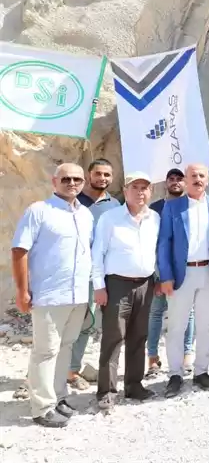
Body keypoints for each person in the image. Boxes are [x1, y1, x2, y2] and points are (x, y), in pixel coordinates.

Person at [11, 163, 94, 427]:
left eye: (77, 179)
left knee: (65, 348)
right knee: (45, 352)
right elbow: (19, 251)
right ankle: (41, 407)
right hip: (49, 295)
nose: (72, 183)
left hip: (78, 295)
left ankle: (58, 397)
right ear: (54, 181)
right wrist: (23, 290)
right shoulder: (39, 211)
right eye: (66, 178)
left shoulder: (85, 215)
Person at [157, 163, 209, 398]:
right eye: (193, 176)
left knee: (206, 325)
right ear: (185, 180)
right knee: (176, 326)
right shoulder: (172, 207)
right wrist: (165, 276)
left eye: (201, 176)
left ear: (207, 180)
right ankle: (175, 374)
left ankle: (201, 371)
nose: (197, 179)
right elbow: (164, 243)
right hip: (181, 274)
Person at [91, 172, 159, 409]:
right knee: (113, 337)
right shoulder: (110, 218)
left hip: (145, 284)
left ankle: (134, 385)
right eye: (135, 187)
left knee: (139, 336)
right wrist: (99, 286)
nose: (140, 192)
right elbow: (97, 254)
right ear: (125, 189)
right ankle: (106, 391)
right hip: (117, 285)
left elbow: (156, 252)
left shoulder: (155, 218)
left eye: (145, 187)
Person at [70, 158, 121, 389]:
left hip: (108, 272)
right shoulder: (74, 201)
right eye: (98, 173)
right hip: (80, 272)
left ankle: (103, 372)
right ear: (89, 175)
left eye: (107, 175)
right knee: (79, 320)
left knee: (104, 323)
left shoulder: (116, 205)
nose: (103, 178)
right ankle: (69, 370)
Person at [146, 168, 194, 377]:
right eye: (171, 179)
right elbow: (153, 243)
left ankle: (187, 356)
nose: (175, 182)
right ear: (165, 183)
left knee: (188, 314)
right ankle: (153, 358)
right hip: (160, 271)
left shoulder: (192, 207)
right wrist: (159, 274)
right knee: (156, 313)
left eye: (179, 179)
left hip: (185, 271)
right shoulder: (155, 208)